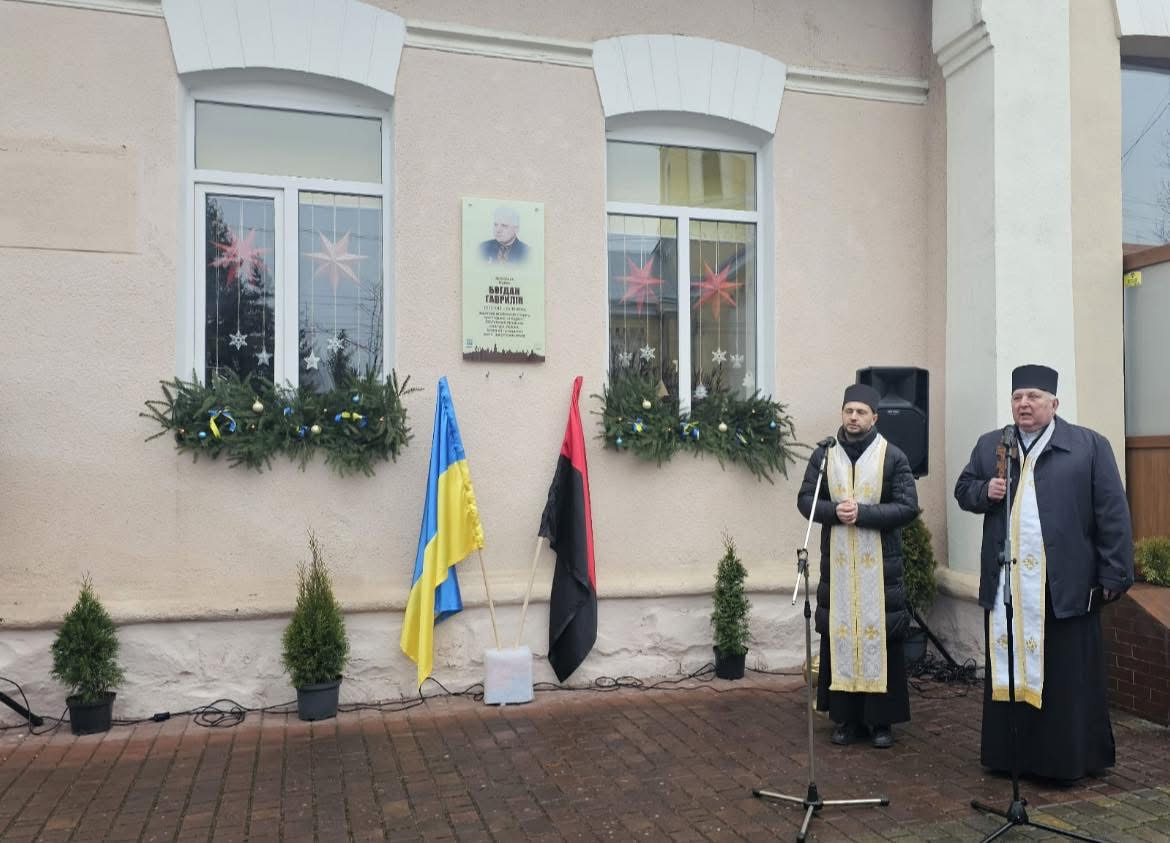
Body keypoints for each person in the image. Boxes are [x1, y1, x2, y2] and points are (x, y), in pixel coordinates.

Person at [954, 364, 1134, 781]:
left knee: (1065, 676)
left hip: (1065, 586)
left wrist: (1115, 573)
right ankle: (1010, 758)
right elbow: (963, 489)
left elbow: (1112, 513)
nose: (1024, 404)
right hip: (1009, 586)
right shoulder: (992, 445)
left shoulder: (1088, 446)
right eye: (1017, 397)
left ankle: (1066, 761)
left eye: (1033, 397)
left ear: (1054, 403)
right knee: (1010, 667)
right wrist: (984, 491)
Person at [798, 383, 919, 748]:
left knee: (880, 637)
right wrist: (834, 511)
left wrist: (863, 514)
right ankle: (846, 720)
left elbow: (907, 507)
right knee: (840, 636)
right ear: (842, 413)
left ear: (874, 417)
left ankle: (881, 722)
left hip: (880, 569)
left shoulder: (892, 456)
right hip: (838, 569)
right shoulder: (824, 455)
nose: (853, 417)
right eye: (848, 410)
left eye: (861, 412)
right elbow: (806, 501)